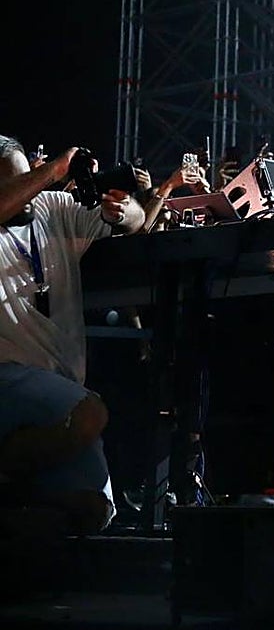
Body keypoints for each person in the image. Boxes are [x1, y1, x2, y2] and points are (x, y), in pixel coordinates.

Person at [0, 138, 144, 534]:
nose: (29, 190)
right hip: (6, 374)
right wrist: (50, 172)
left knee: (94, 510)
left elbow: (135, 221)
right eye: (17, 183)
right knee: (89, 413)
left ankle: (17, 492)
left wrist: (120, 211)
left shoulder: (51, 209)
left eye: (27, 175)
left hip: (53, 382)